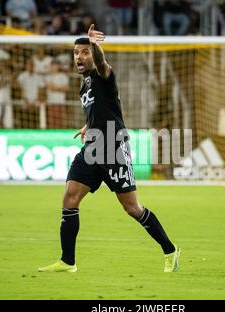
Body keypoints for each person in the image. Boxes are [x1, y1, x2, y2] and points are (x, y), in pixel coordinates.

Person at [38, 24, 180, 273]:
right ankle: (67, 262)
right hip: (92, 149)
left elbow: (102, 63)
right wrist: (87, 125)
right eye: (76, 52)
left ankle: (170, 250)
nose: (79, 57)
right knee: (70, 198)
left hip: (114, 148)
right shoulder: (85, 84)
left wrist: (95, 45)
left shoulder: (105, 73)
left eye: (84, 52)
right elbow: (103, 108)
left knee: (132, 208)